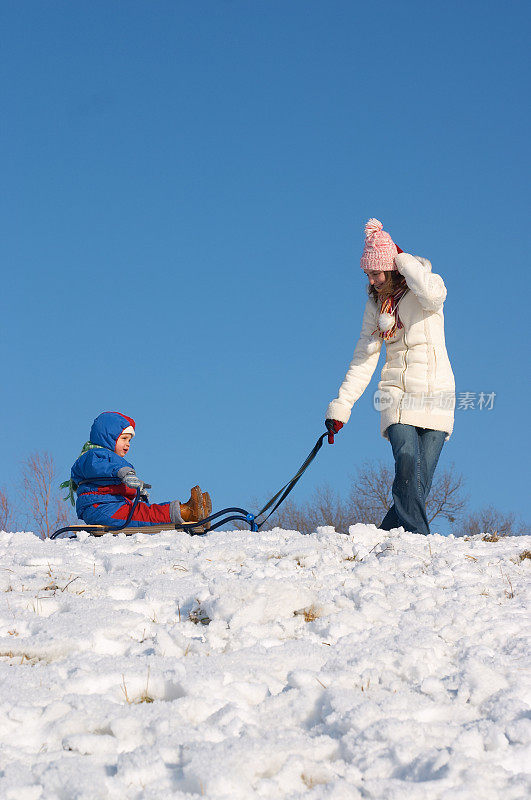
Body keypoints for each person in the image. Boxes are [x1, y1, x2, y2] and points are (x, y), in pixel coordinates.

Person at [325, 219, 455, 535]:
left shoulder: (428, 289)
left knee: (418, 486)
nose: (370, 280)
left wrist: (401, 259)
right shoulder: (376, 306)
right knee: (407, 463)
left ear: (393, 268)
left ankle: (384, 538)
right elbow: (363, 359)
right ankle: (421, 542)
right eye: (367, 274)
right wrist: (342, 406)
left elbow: (433, 295)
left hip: (437, 394)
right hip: (396, 394)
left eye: (376, 272)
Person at [69, 411, 212, 528]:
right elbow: (98, 468)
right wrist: (122, 472)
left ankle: (193, 510)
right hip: (100, 508)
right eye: (124, 438)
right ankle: (187, 512)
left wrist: (136, 490)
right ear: (108, 438)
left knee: (144, 511)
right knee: (144, 515)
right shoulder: (92, 456)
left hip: (112, 504)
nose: (128, 444)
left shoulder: (109, 458)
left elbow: (110, 483)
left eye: (129, 440)